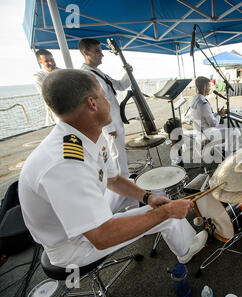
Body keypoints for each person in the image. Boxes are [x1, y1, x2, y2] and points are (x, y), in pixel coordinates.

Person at [18, 69, 208, 268]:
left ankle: (170, 227)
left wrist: (148, 198)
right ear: (92, 103)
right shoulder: (65, 165)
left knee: (153, 199)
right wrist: (165, 213)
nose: (109, 102)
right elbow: (101, 236)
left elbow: (114, 180)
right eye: (105, 96)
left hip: (84, 222)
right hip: (72, 247)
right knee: (165, 216)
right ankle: (186, 251)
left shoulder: (88, 135)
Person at [79, 38, 131, 178]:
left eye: (101, 51)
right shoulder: (86, 75)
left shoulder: (99, 73)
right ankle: (122, 189)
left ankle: (125, 179)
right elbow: (94, 104)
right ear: (86, 52)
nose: (101, 55)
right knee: (115, 154)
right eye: (97, 52)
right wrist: (109, 127)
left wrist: (128, 73)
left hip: (115, 118)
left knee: (120, 152)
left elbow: (120, 85)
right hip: (109, 122)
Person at [32, 49, 59, 126]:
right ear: (40, 62)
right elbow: (47, 94)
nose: (51, 63)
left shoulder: (64, 72)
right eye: (46, 61)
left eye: (52, 59)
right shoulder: (38, 76)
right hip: (55, 114)